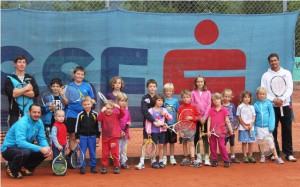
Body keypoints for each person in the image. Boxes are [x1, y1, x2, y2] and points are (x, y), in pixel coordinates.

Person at [261, 53, 296, 162]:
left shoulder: (287, 73)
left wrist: (283, 99)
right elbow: (263, 91)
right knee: (272, 130)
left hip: (285, 106)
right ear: (269, 62)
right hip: (271, 107)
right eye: (271, 61)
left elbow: (290, 88)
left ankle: (288, 153)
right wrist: (274, 100)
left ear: (278, 60)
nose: (274, 62)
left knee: (287, 130)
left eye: (275, 60)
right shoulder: (265, 75)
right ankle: (274, 153)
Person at [1, 104, 52, 179]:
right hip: (8, 150)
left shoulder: (39, 122)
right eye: (34, 112)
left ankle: (24, 167)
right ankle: (12, 169)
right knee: (25, 152)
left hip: (23, 148)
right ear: (29, 112)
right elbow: (20, 143)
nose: (36, 114)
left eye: (38, 112)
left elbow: (41, 138)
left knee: (45, 152)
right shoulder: (22, 123)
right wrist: (40, 148)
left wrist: (47, 147)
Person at [62, 66, 95, 164]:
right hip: (72, 115)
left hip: (84, 116)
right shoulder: (69, 87)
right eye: (78, 74)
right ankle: (73, 157)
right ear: (74, 75)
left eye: (82, 74)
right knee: (72, 135)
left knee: (82, 136)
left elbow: (92, 100)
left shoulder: (88, 86)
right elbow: (65, 103)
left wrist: (89, 103)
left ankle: (72, 156)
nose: (80, 76)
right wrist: (63, 95)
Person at [4, 55, 39, 127]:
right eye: (19, 62)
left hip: (29, 112)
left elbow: (35, 93)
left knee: (29, 135)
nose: (21, 64)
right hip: (14, 112)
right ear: (15, 64)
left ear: (26, 64)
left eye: (24, 62)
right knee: (15, 135)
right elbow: (12, 94)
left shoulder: (30, 78)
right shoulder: (9, 79)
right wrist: (26, 88)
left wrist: (18, 91)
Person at [254, 87, 284, 164]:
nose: (261, 95)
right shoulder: (255, 105)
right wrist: (254, 128)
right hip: (258, 127)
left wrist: (271, 127)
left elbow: (272, 116)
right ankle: (262, 156)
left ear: (266, 95)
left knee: (270, 142)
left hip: (267, 127)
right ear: (257, 95)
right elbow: (254, 117)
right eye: (260, 94)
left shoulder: (269, 104)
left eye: (263, 94)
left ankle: (276, 156)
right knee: (260, 142)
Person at [135, 79, 160, 170]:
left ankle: (153, 160)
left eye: (154, 86)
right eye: (150, 86)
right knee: (145, 142)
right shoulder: (145, 98)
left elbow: (161, 109)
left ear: (156, 87)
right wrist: (153, 120)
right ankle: (141, 161)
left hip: (156, 125)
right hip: (148, 123)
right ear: (147, 88)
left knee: (154, 142)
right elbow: (144, 111)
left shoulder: (158, 98)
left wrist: (160, 121)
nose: (152, 88)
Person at [145, 93, 172, 169]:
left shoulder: (164, 110)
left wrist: (166, 115)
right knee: (154, 146)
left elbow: (170, 118)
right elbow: (148, 122)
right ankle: (153, 161)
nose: (160, 102)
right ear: (155, 101)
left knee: (161, 146)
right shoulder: (150, 110)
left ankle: (161, 161)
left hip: (162, 131)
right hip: (154, 132)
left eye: (162, 100)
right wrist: (149, 132)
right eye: (159, 100)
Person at [97, 100, 124, 174]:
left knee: (115, 153)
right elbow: (98, 118)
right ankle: (104, 167)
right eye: (107, 108)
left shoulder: (116, 114)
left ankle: (116, 166)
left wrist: (119, 107)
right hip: (105, 138)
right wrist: (102, 111)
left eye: (111, 109)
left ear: (113, 109)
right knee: (105, 153)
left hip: (113, 137)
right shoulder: (103, 115)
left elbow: (122, 114)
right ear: (105, 108)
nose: (109, 110)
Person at [75, 96, 100, 174]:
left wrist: (98, 136)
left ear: (91, 104)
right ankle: (82, 167)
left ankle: (93, 167)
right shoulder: (80, 115)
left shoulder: (95, 114)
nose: (87, 106)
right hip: (82, 137)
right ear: (82, 105)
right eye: (85, 104)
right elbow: (77, 126)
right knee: (82, 153)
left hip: (93, 137)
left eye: (88, 104)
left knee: (92, 152)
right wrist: (77, 137)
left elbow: (98, 126)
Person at [207, 93, 233, 168]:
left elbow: (227, 120)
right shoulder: (211, 110)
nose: (216, 101)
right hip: (212, 132)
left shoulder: (224, 110)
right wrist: (208, 130)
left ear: (221, 99)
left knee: (222, 146)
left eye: (217, 99)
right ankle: (214, 160)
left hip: (221, 132)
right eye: (214, 100)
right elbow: (209, 120)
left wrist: (231, 130)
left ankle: (226, 160)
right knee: (212, 146)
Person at [191, 75, 211, 166]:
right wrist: (199, 117)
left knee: (205, 138)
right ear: (196, 83)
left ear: (204, 83)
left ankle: (206, 158)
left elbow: (208, 105)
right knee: (196, 137)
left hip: (205, 119)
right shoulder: (193, 93)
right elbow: (193, 105)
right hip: (196, 118)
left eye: (201, 81)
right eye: (198, 82)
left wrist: (204, 117)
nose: (200, 83)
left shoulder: (208, 93)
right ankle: (198, 157)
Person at [178, 89, 201, 168]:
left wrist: (192, 118)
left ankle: (192, 159)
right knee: (184, 143)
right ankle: (185, 158)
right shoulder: (180, 108)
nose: (186, 99)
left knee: (191, 143)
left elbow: (199, 117)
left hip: (192, 129)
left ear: (190, 97)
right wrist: (180, 130)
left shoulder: (194, 107)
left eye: (187, 97)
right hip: (183, 130)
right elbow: (179, 120)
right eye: (184, 97)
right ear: (182, 98)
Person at [41, 78, 64, 145]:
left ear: (60, 87)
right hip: (49, 122)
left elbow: (65, 109)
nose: (55, 88)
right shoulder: (47, 97)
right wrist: (49, 109)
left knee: (58, 139)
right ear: (50, 87)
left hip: (59, 122)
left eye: (57, 86)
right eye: (53, 86)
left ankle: (58, 153)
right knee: (49, 138)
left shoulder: (62, 98)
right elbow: (42, 110)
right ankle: (48, 153)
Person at [236, 91, 256, 163]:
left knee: (251, 142)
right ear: (242, 98)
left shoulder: (252, 107)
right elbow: (239, 117)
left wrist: (251, 124)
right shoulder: (240, 107)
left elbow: (254, 116)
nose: (247, 99)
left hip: (251, 128)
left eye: (248, 97)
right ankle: (245, 156)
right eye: (245, 97)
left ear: (250, 98)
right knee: (244, 142)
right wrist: (244, 126)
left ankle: (250, 156)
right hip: (243, 128)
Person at [162, 83, 179, 166]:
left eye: (170, 91)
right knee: (165, 142)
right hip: (165, 125)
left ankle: (172, 157)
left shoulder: (175, 101)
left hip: (173, 125)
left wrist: (177, 123)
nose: (168, 92)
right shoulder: (163, 101)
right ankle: (164, 158)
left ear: (172, 91)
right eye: (166, 91)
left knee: (172, 142)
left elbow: (177, 112)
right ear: (164, 92)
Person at [222, 89, 240, 163]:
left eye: (228, 97)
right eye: (225, 96)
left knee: (232, 143)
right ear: (222, 96)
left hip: (231, 128)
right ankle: (225, 157)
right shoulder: (221, 106)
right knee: (224, 144)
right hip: (224, 129)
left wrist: (234, 126)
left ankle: (233, 156)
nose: (227, 98)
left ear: (231, 97)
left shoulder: (232, 105)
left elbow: (234, 116)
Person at [115, 92, 132, 169]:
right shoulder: (115, 110)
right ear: (117, 101)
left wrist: (129, 123)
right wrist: (120, 131)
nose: (123, 102)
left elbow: (129, 120)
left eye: (125, 101)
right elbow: (115, 123)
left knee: (123, 149)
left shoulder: (126, 111)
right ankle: (117, 163)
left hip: (125, 133)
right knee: (117, 149)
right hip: (117, 133)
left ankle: (123, 162)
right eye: (121, 101)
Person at [49, 110, 68, 175]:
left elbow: (65, 136)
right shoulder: (55, 126)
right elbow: (53, 136)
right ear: (55, 118)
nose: (61, 118)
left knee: (62, 157)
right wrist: (57, 145)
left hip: (63, 145)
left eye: (63, 116)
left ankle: (61, 170)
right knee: (57, 158)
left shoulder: (64, 126)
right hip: (57, 146)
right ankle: (56, 171)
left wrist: (66, 144)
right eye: (59, 116)